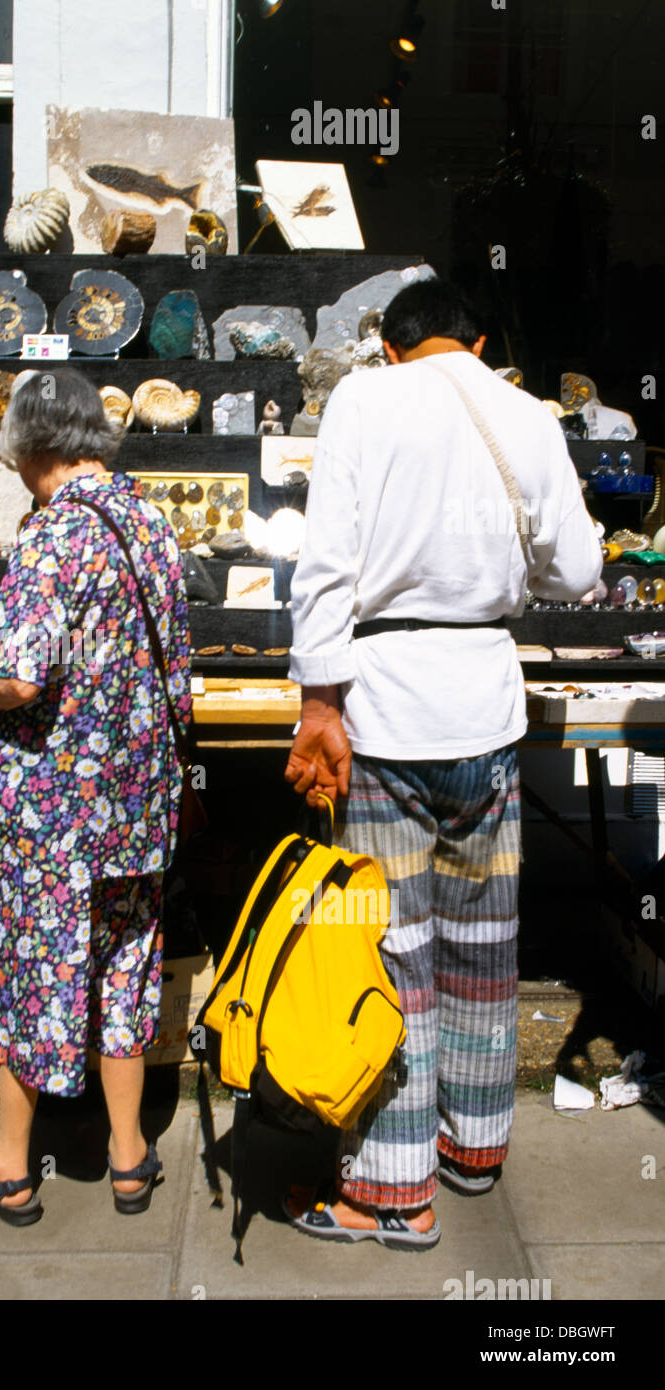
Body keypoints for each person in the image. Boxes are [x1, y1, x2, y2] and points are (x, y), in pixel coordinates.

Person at [282, 279, 602, 1249]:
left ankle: (392, 1189)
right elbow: (580, 571)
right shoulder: (523, 413)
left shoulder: (366, 399)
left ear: (388, 343)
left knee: (390, 947)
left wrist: (315, 700)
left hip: (385, 706)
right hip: (485, 703)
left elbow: (327, 558)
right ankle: (475, 1147)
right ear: (479, 339)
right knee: (483, 936)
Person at [0, 369, 192, 1224]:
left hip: (54, 813)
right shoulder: (151, 521)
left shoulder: (50, 537)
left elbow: (15, 677)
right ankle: (127, 1153)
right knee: (124, 966)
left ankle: (10, 1163)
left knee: (31, 976)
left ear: (26, 447)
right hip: (137, 803)